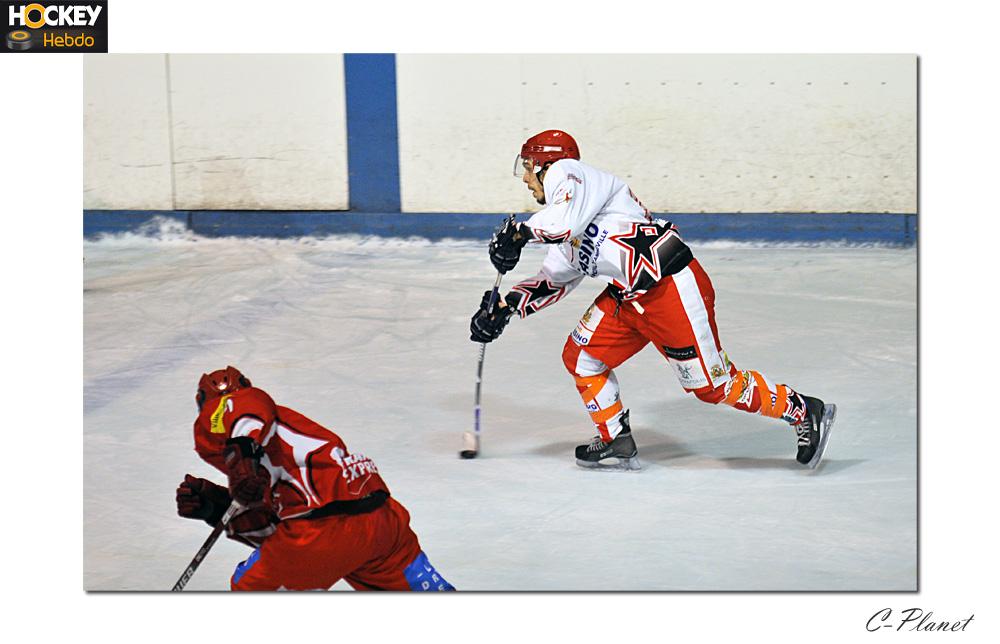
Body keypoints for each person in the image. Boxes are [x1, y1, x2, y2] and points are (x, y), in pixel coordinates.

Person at [470, 130, 836, 471]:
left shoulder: (570, 173)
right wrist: (505, 307)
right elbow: (554, 278)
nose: (525, 178)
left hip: (671, 289)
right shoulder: (567, 218)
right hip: (628, 299)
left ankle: (804, 410)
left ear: (546, 163)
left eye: (528, 167)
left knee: (713, 387)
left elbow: (561, 223)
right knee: (581, 357)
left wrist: (520, 234)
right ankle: (616, 438)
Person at [175, 366, 455, 591]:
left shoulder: (237, 410)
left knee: (249, 587)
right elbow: (281, 530)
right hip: (381, 520)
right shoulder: (279, 453)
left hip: (325, 526)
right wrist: (218, 509)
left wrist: (242, 454)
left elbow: (240, 407)